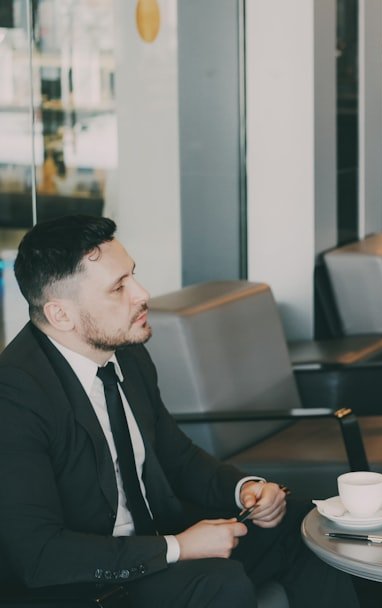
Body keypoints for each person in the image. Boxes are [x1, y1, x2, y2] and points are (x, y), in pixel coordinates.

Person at [0, 216, 361, 607]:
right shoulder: (15, 396)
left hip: (157, 543)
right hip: (89, 584)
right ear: (61, 315)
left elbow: (177, 457)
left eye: (132, 276)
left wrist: (245, 490)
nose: (142, 294)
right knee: (219, 581)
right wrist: (177, 547)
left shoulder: (128, 355)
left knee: (304, 524)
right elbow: (38, 555)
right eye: (118, 288)